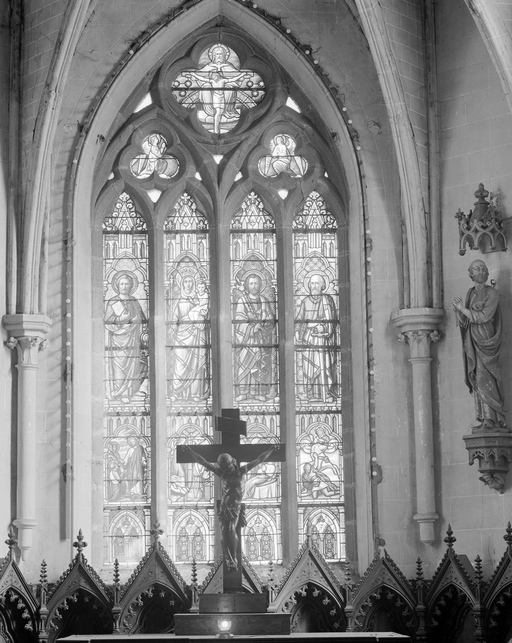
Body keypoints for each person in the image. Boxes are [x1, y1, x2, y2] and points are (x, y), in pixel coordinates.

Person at [182, 444, 279, 570]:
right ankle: (228, 558)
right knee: (223, 531)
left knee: (231, 528)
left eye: (227, 464)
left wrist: (271, 449)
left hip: (236, 506)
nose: (226, 467)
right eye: (223, 466)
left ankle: (234, 557)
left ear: (233, 461)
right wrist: (190, 451)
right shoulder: (221, 473)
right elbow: (203, 461)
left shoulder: (243, 470)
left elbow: (260, 459)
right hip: (224, 505)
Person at [452, 259, 506, 429]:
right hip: (472, 340)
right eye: (477, 268)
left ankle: (494, 418)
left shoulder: (492, 293)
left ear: (487, 272)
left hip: (486, 339)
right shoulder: (470, 293)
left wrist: (463, 309)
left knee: (486, 376)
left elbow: (482, 317)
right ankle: (484, 418)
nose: (481, 271)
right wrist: (458, 311)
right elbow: (465, 322)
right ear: (471, 273)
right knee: (476, 376)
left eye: (483, 268)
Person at [183, 44, 251, 134]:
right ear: (213, 56)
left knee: (229, 89)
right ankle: (209, 111)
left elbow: (234, 77)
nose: (218, 56)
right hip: (215, 95)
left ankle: (227, 111)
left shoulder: (228, 66)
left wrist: (242, 75)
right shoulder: (209, 66)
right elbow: (201, 75)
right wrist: (194, 75)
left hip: (223, 92)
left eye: (220, 54)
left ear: (224, 55)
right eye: (217, 54)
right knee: (205, 88)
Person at [104, 273, 148, 402]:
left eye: (127, 284)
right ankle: (119, 393)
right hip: (117, 341)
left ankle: (130, 392)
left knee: (134, 365)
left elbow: (143, 320)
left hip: (133, 340)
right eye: (122, 284)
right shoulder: (113, 302)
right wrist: (120, 319)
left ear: (131, 286)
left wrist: (136, 320)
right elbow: (107, 321)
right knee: (119, 368)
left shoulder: (134, 301)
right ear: (117, 286)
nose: (124, 286)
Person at [295, 273, 339, 401]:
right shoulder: (305, 301)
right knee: (310, 369)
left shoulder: (328, 300)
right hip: (308, 340)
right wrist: (297, 331)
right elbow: (299, 319)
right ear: (309, 285)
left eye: (317, 283)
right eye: (312, 283)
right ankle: (312, 394)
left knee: (323, 366)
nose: (314, 286)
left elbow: (333, 320)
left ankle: (327, 393)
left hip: (323, 340)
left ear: (323, 286)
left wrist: (324, 327)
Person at [234, 273, 275, 401]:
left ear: (260, 285)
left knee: (259, 365)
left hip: (262, 340)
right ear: (247, 285)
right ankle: (243, 392)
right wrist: (251, 328)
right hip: (247, 341)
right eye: (251, 283)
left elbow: (271, 320)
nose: (253, 286)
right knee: (245, 364)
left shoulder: (264, 301)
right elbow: (238, 320)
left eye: (256, 283)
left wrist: (262, 326)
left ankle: (259, 392)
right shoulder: (242, 301)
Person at [169, 275, 210, 401]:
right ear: (182, 284)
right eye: (186, 281)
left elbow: (206, 315)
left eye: (190, 282)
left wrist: (204, 315)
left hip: (197, 333)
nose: (188, 284)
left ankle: (195, 394)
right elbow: (174, 318)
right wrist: (172, 329)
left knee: (197, 363)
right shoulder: (177, 300)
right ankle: (177, 393)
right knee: (180, 364)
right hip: (181, 335)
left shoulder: (199, 299)